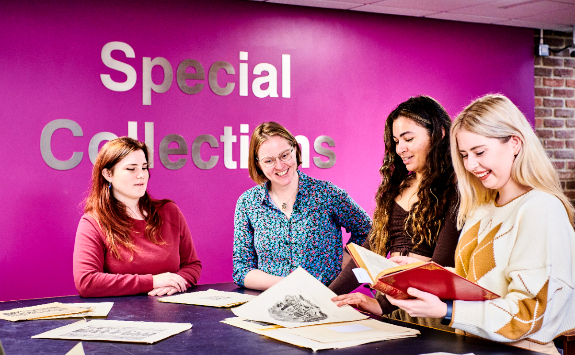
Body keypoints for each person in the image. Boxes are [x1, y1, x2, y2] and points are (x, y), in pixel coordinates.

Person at [383, 94, 575, 355]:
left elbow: (529, 313)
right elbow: (480, 285)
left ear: (515, 143)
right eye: (464, 155)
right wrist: (426, 272)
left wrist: (447, 310)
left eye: (479, 152)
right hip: (470, 346)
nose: (471, 165)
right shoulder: (481, 209)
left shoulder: (541, 208)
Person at [330, 96, 460, 321]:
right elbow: (369, 251)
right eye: (396, 141)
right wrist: (326, 297)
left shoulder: (455, 189)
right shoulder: (396, 188)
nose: (400, 149)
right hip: (393, 304)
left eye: (408, 138)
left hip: (431, 311)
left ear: (438, 134)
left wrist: (383, 304)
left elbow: (440, 268)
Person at [233, 122, 372, 291]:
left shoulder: (326, 193)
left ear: (296, 150)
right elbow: (241, 270)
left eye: (284, 155)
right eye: (269, 160)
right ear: (258, 164)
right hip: (270, 304)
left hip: (325, 302)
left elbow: (368, 229)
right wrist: (288, 285)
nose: (279, 166)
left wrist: (346, 262)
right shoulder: (248, 203)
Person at [73, 137, 202, 297]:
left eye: (144, 167)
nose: (141, 175)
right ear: (108, 174)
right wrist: (153, 281)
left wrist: (177, 282)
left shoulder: (170, 211)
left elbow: (192, 265)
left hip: (171, 313)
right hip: (120, 319)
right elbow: (87, 281)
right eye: (131, 169)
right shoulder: (93, 222)